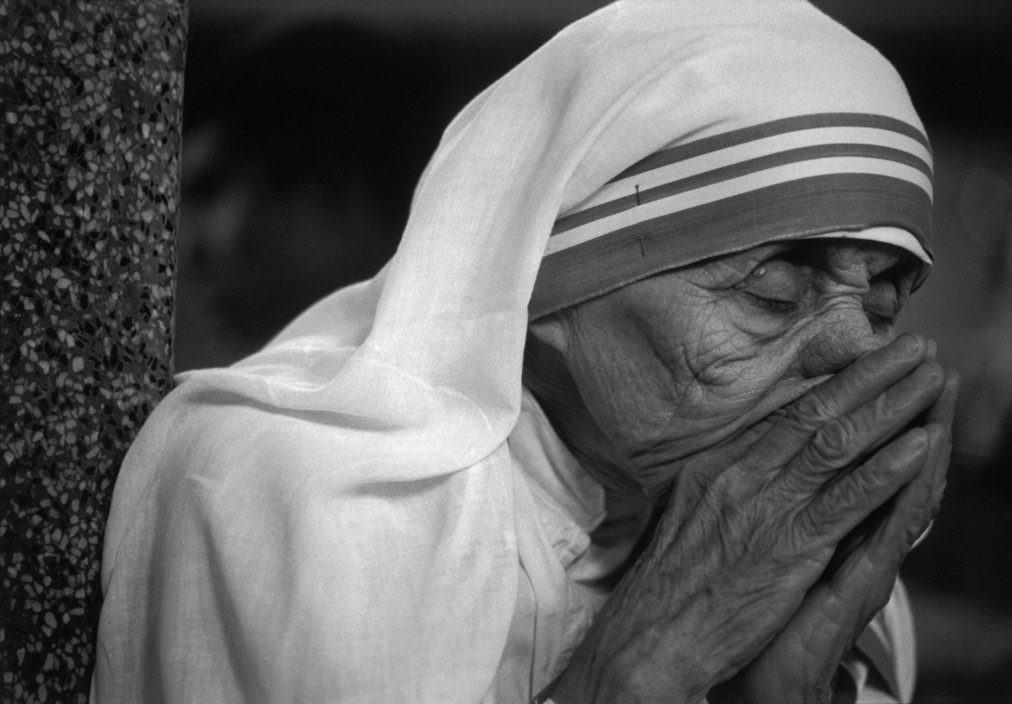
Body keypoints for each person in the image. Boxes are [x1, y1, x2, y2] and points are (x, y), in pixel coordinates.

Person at [92, 1, 958, 702]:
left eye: (885, 298)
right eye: (772, 293)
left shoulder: (830, 576)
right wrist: (638, 673)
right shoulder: (296, 499)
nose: (855, 350)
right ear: (547, 285)